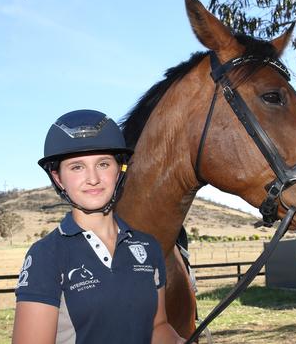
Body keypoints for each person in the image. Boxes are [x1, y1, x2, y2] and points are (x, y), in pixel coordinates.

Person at [12, 109, 184, 344]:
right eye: (77, 167)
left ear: (119, 170)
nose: (93, 178)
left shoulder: (147, 246)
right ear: (58, 178)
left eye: (103, 164)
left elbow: (158, 326)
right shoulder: (46, 255)